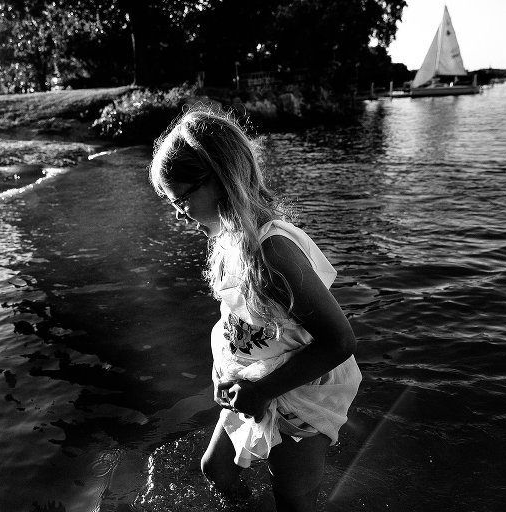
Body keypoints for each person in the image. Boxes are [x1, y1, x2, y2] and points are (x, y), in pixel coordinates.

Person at [149, 108, 362, 512]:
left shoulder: (273, 250)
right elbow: (238, 317)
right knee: (216, 469)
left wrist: (262, 390)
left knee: (292, 497)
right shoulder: (230, 239)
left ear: (220, 178)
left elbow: (341, 341)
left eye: (183, 200)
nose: (181, 214)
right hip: (256, 380)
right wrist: (223, 369)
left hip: (299, 392)